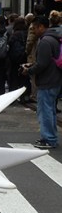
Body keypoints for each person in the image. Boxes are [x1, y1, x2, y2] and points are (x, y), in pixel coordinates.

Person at [22, 16, 62, 149]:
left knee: (45, 110)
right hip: (54, 79)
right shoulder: (54, 38)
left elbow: (42, 64)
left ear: (41, 26)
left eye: (34, 28)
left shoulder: (45, 41)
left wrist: (29, 70)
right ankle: (51, 137)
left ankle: (49, 139)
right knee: (49, 110)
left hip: (47, 80)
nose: (33, 31)